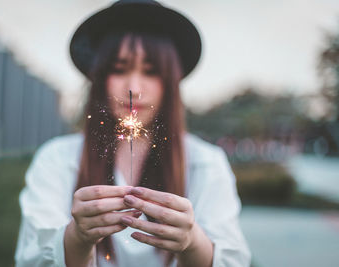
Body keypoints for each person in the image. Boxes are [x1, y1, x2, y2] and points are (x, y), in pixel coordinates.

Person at [14, 0, 251, 266]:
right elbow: (33, 258)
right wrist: (76, 239)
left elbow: (232, 260)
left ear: (170, 84)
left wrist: (192, 241)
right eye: (119, 69)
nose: (134, 88)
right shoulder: (57, 159)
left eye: (151, 72)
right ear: (100, 77)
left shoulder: (205, 163)